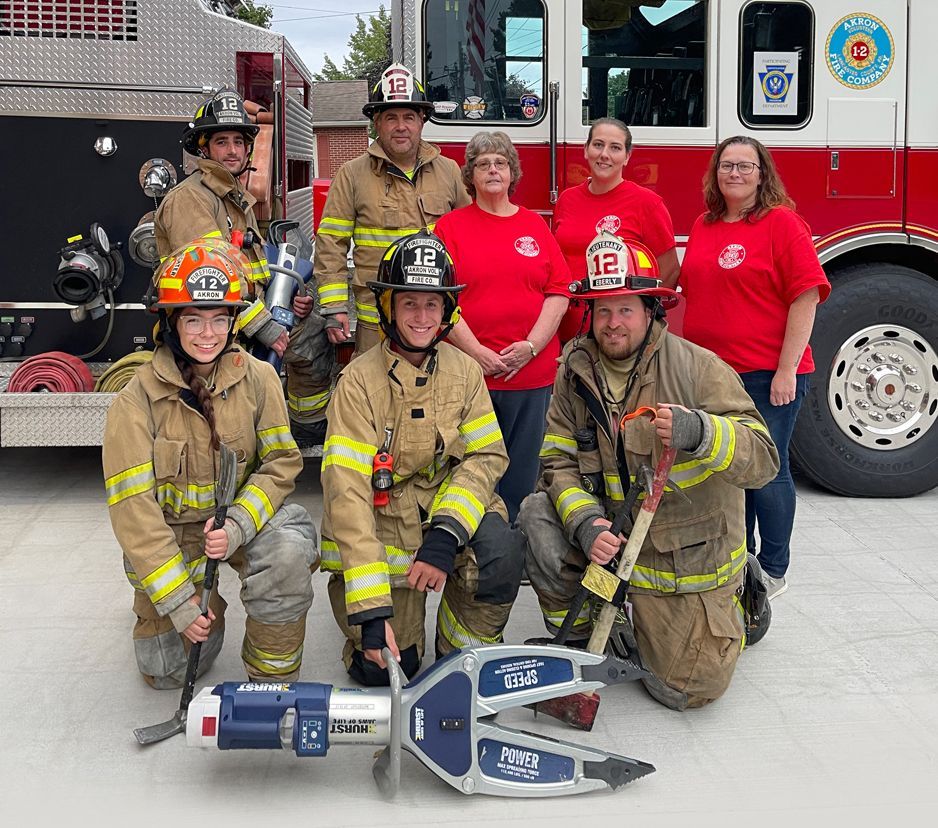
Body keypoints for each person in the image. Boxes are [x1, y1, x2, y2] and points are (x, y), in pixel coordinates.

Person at [519, 232, 780, 711]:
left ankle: (740, 596)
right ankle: (585, 636)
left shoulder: (698, 368)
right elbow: (556, 461)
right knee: (537, 512)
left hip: (678, 556)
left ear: (651, 311)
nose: (613, 324)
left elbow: (763, 461)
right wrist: (586, 523)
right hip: (612, 542)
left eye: (625, 309)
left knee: (683, 693)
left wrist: (702, 432)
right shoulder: (574, 372)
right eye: (602, 310)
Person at [103, 239, 319, 688]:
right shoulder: (136, 399)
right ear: (170, 322)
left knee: (287, 555)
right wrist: (182, 602)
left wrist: (237, 525)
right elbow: (134, 512)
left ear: (234, 322)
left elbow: (281, 463)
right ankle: (208, 608)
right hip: (175, 539)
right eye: (194, 319)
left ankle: (271, 683)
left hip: (239, 525)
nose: (208, 333)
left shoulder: (259, 378)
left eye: (220, 318)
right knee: (167, 673)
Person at [319, 230, 525, 686]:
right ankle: (392, 634)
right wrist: (371, 611)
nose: (421, 316)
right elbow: (348, 495)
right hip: (382, 521)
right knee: (387, 671)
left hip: (446, 509)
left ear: (448, 311)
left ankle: (460, 653)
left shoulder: (464, 371)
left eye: (433, 304)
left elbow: (485, 457)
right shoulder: (357, 383)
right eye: (409, 302)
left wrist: (446, 535)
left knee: (501, 551)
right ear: (387, 307)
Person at [680, 136, 831, 600]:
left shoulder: (782, 223)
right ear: (715, 173)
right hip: (715, 376)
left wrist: (787, 371)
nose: (735, 174)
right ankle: (738, 558)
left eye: (746, 166)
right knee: (729, 469)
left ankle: (773, 568)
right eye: (727, 165)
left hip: (768, 374)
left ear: (762, 173)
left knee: (767, 470)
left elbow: (806, 295)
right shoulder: (704, 224)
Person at [154, 88, 333, 445]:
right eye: (222, 142)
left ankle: (304, 426)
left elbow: (249, 266)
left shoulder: (234, 198)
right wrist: (265, 326)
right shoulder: (191, 200)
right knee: (300, 345)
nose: (233, 150)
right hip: (206, 320)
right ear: (204, 148)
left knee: (313, 331)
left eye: (239, 141)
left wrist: (293, 299)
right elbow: (208, 281)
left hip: (242, 312)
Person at [434, 131, 570, 521]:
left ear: (513, 173)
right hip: (469, 374)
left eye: (501, 163)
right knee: (468, 470)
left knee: (522, 475)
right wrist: (477, 352)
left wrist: (530, 346)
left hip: (531, 375)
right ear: (470, 176)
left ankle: (513, 550)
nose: (493, 170)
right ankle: (473, 548)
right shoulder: (450, 228)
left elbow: (558, 292)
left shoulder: (534, 226)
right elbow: (440, 301)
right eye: (483, 164)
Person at [314, 63, 470, 357]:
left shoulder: (449, 171)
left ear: (422, 121)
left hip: (435, 315)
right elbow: (331, 244)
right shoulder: (352, 174)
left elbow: (472, 236)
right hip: (377, 318)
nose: (401, 126)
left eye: (409, 117)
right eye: (391, 118)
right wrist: (334, 306)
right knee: (373, 394)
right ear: (376, 123)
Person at [553, 117, 679, 342]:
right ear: (586, 150)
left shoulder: (647, 203)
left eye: (615, 148)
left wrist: (640, 319)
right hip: (566, 330)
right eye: (598, 144)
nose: (605, 154)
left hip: (618, 336)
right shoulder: (567, 200)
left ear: (627, 156)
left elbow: (669, 271)